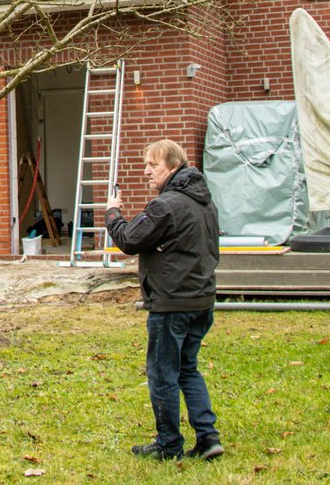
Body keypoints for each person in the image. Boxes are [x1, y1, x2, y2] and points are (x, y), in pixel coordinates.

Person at [105, 139, 224, 462]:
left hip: (172, 305)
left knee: (162, 372)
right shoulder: (205, 203)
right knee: (188, 368)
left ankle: (168, 443)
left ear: (172, 166)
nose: (146, 171)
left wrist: (112, 212)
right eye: (145, 164)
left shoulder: (165, 205)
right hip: (202, 301)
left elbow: (129, 239)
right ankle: (208, 438)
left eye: (152, 165)